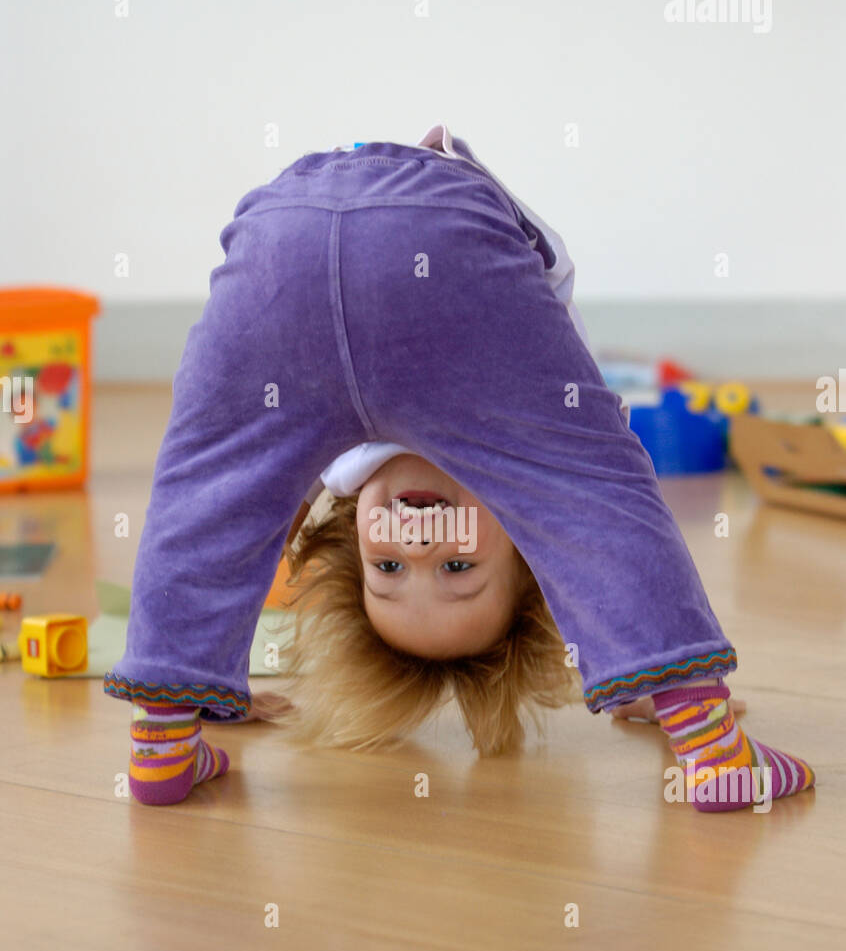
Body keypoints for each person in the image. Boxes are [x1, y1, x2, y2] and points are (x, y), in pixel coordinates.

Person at [105, 128, 815, 813]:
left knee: (209, 484)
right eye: (457, 570)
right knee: (597, 485)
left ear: (350, 537)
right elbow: (594, 531)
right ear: (527, 541)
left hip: (283, 238)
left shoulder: (325, 460)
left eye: (387, 571)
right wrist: (643, 671)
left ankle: (163, 733)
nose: (418, 547)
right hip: (430, 227)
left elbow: (239, 521)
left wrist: (202, 672)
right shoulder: (522, 442)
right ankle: (710, 745)